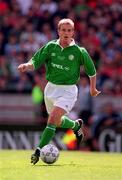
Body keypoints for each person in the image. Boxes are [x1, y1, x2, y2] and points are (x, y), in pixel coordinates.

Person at [18, 18, 101, 165]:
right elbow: (35, 61)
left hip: (68, 91)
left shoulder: (79, 51)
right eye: (63, 30)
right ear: (59, 31)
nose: (66, 33)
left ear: (73, 32)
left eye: (69, 30)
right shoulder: (50, 46)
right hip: (50, 89)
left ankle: (38, 150)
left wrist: (93, 88)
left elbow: (92, 71)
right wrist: (26, 65)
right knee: (56, 121)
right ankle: (76, 126)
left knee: (52, 119)